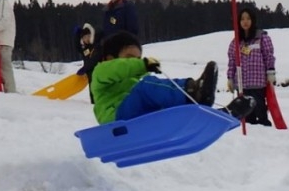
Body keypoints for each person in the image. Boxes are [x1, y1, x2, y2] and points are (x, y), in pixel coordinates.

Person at [91, 31, 255, 125]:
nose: (135, 62)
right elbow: (118, 69)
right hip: (115, 118)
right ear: (110, 58)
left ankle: (214, 117)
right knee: (146, 87)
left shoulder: (135, 80)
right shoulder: (101, 72)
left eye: (138, 58)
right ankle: (193, 90)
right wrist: (142, 65)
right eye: (129, 57)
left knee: (163, 101)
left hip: (135, 118)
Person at [227, 6, 276, 126]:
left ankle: (265, 130)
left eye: (248, 18)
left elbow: (268, 56)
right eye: (242, 19)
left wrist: (270, 72)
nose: (245, 21)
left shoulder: (261, 38)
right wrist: (230, 78)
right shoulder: (236, 42)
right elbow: (232, 60)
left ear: (252, 20)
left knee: (260, 108)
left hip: (257, 82)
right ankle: (251, 136)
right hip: (242, 83)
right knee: (247, 114)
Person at [75, 22, 98, 104]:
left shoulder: (95, 46)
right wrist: (77, 36)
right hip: (89, 72)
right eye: (85, 37)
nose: (87, 39)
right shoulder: (85, 48)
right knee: (91, 88)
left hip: (96, 70)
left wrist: (85, 68)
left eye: (88, 36)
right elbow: (78, 47)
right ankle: (93, 103)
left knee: (96, 88)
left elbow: (94, 59)